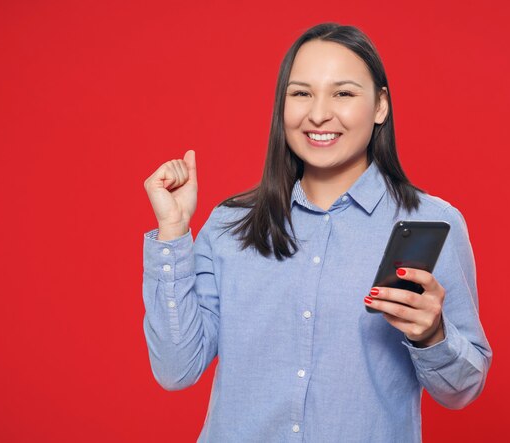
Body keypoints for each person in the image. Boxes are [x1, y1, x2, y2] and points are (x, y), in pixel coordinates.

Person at [142, 22, 492, 443]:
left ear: (380, 106)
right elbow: (176, 369)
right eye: (301, 92)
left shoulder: (431, 223)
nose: (319, 113)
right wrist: (174, 233)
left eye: (343, 93)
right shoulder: (230, 226)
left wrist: (432, 335)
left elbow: (462, 391)